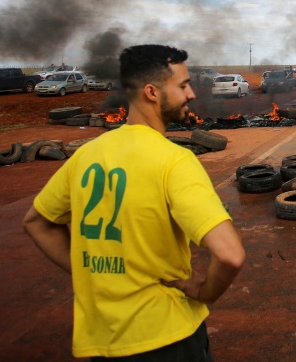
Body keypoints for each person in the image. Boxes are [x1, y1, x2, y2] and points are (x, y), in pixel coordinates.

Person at [23, 44, 245, 360]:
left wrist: (88, 272)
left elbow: (36, 222)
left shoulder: (86, 155)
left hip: (102, 341)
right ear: (152, 92)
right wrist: (202, 292)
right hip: (167, 337)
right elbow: (230, 255)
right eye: (183, 85)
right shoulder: (174, 160)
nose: (191, 94)